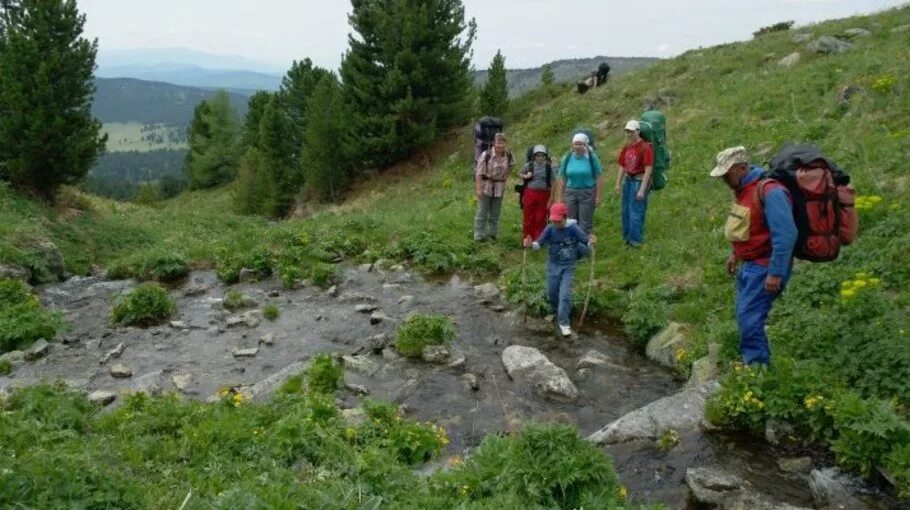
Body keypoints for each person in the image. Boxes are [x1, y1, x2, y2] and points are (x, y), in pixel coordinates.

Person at [710, 146, 797, 366]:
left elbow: (786, 235)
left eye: (726, 174)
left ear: (740, 168)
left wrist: (775, 273)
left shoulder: (770, 191)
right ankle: (753, 363)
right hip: (750, 264)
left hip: (765, 266)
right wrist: (735, 253)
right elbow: (746, 227)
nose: (723, 180)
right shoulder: (742, 189)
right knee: (744, 315)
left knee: (749, 319)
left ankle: (757, 372)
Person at [523, 203, 596, 337]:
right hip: (553, 265)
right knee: (551, 293)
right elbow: (539, 244)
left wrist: (592, 242)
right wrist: (530, 245)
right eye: (554, 221)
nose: (556, 223)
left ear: (564, 217)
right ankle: (557, 311)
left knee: (564, 295)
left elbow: (586, 241)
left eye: (558, 221)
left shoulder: (573, 228)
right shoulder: (550, 229)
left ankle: (564, 323)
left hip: (568, 267)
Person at [614, 120, 654, 247]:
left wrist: (642, 189)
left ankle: (635, 241)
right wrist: (617, 183)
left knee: (636, 211)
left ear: (638, 131)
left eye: (632, 131)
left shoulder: (645, 147)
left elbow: (648, 169)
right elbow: (622, 165)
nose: (629, 133)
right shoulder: (627, 147)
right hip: (628, 181)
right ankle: (627, 238)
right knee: (625, 211)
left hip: (639, 181)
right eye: (627, 131)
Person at [554, 133, 603, 235]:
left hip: (587, 193)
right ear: (572, 145)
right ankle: (572, 245)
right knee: (571, 220)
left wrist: (598, 196)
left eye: (580, 144)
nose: (577, 146)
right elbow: (562, 177)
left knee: (585, 221)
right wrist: (560, 196)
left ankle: (584, 245)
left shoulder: (591, 157)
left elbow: (598, 177)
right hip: (570, 192)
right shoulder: (567, 157)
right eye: (575, 144)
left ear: (585, 145)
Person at [474, 132, 515, 242]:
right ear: (493, 143)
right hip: (486, 186)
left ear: (505, 143)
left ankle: (492, 235)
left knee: (495, 213)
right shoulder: (486, 155)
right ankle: (479, 236)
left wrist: (506, 175)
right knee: (482, 211)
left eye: (502, 143)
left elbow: (512, 165)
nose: (500, 145)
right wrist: (478, 188)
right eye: (498, 143)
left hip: (499, 187)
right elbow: (478, 173)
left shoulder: (509, 155)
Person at [519, 144, 554, 241]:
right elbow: (520, 173)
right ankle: (527, 238)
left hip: (544, 193)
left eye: (542, 155)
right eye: (538, 155)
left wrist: (552, 196)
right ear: (534, 156)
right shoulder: (529, 165)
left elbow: (552, 181)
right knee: (528, 215)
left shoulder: (548, 167)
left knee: (541, 216)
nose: (540, 157)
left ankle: (538, 239)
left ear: (545, 156)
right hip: (530, 192)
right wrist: (526, 176)